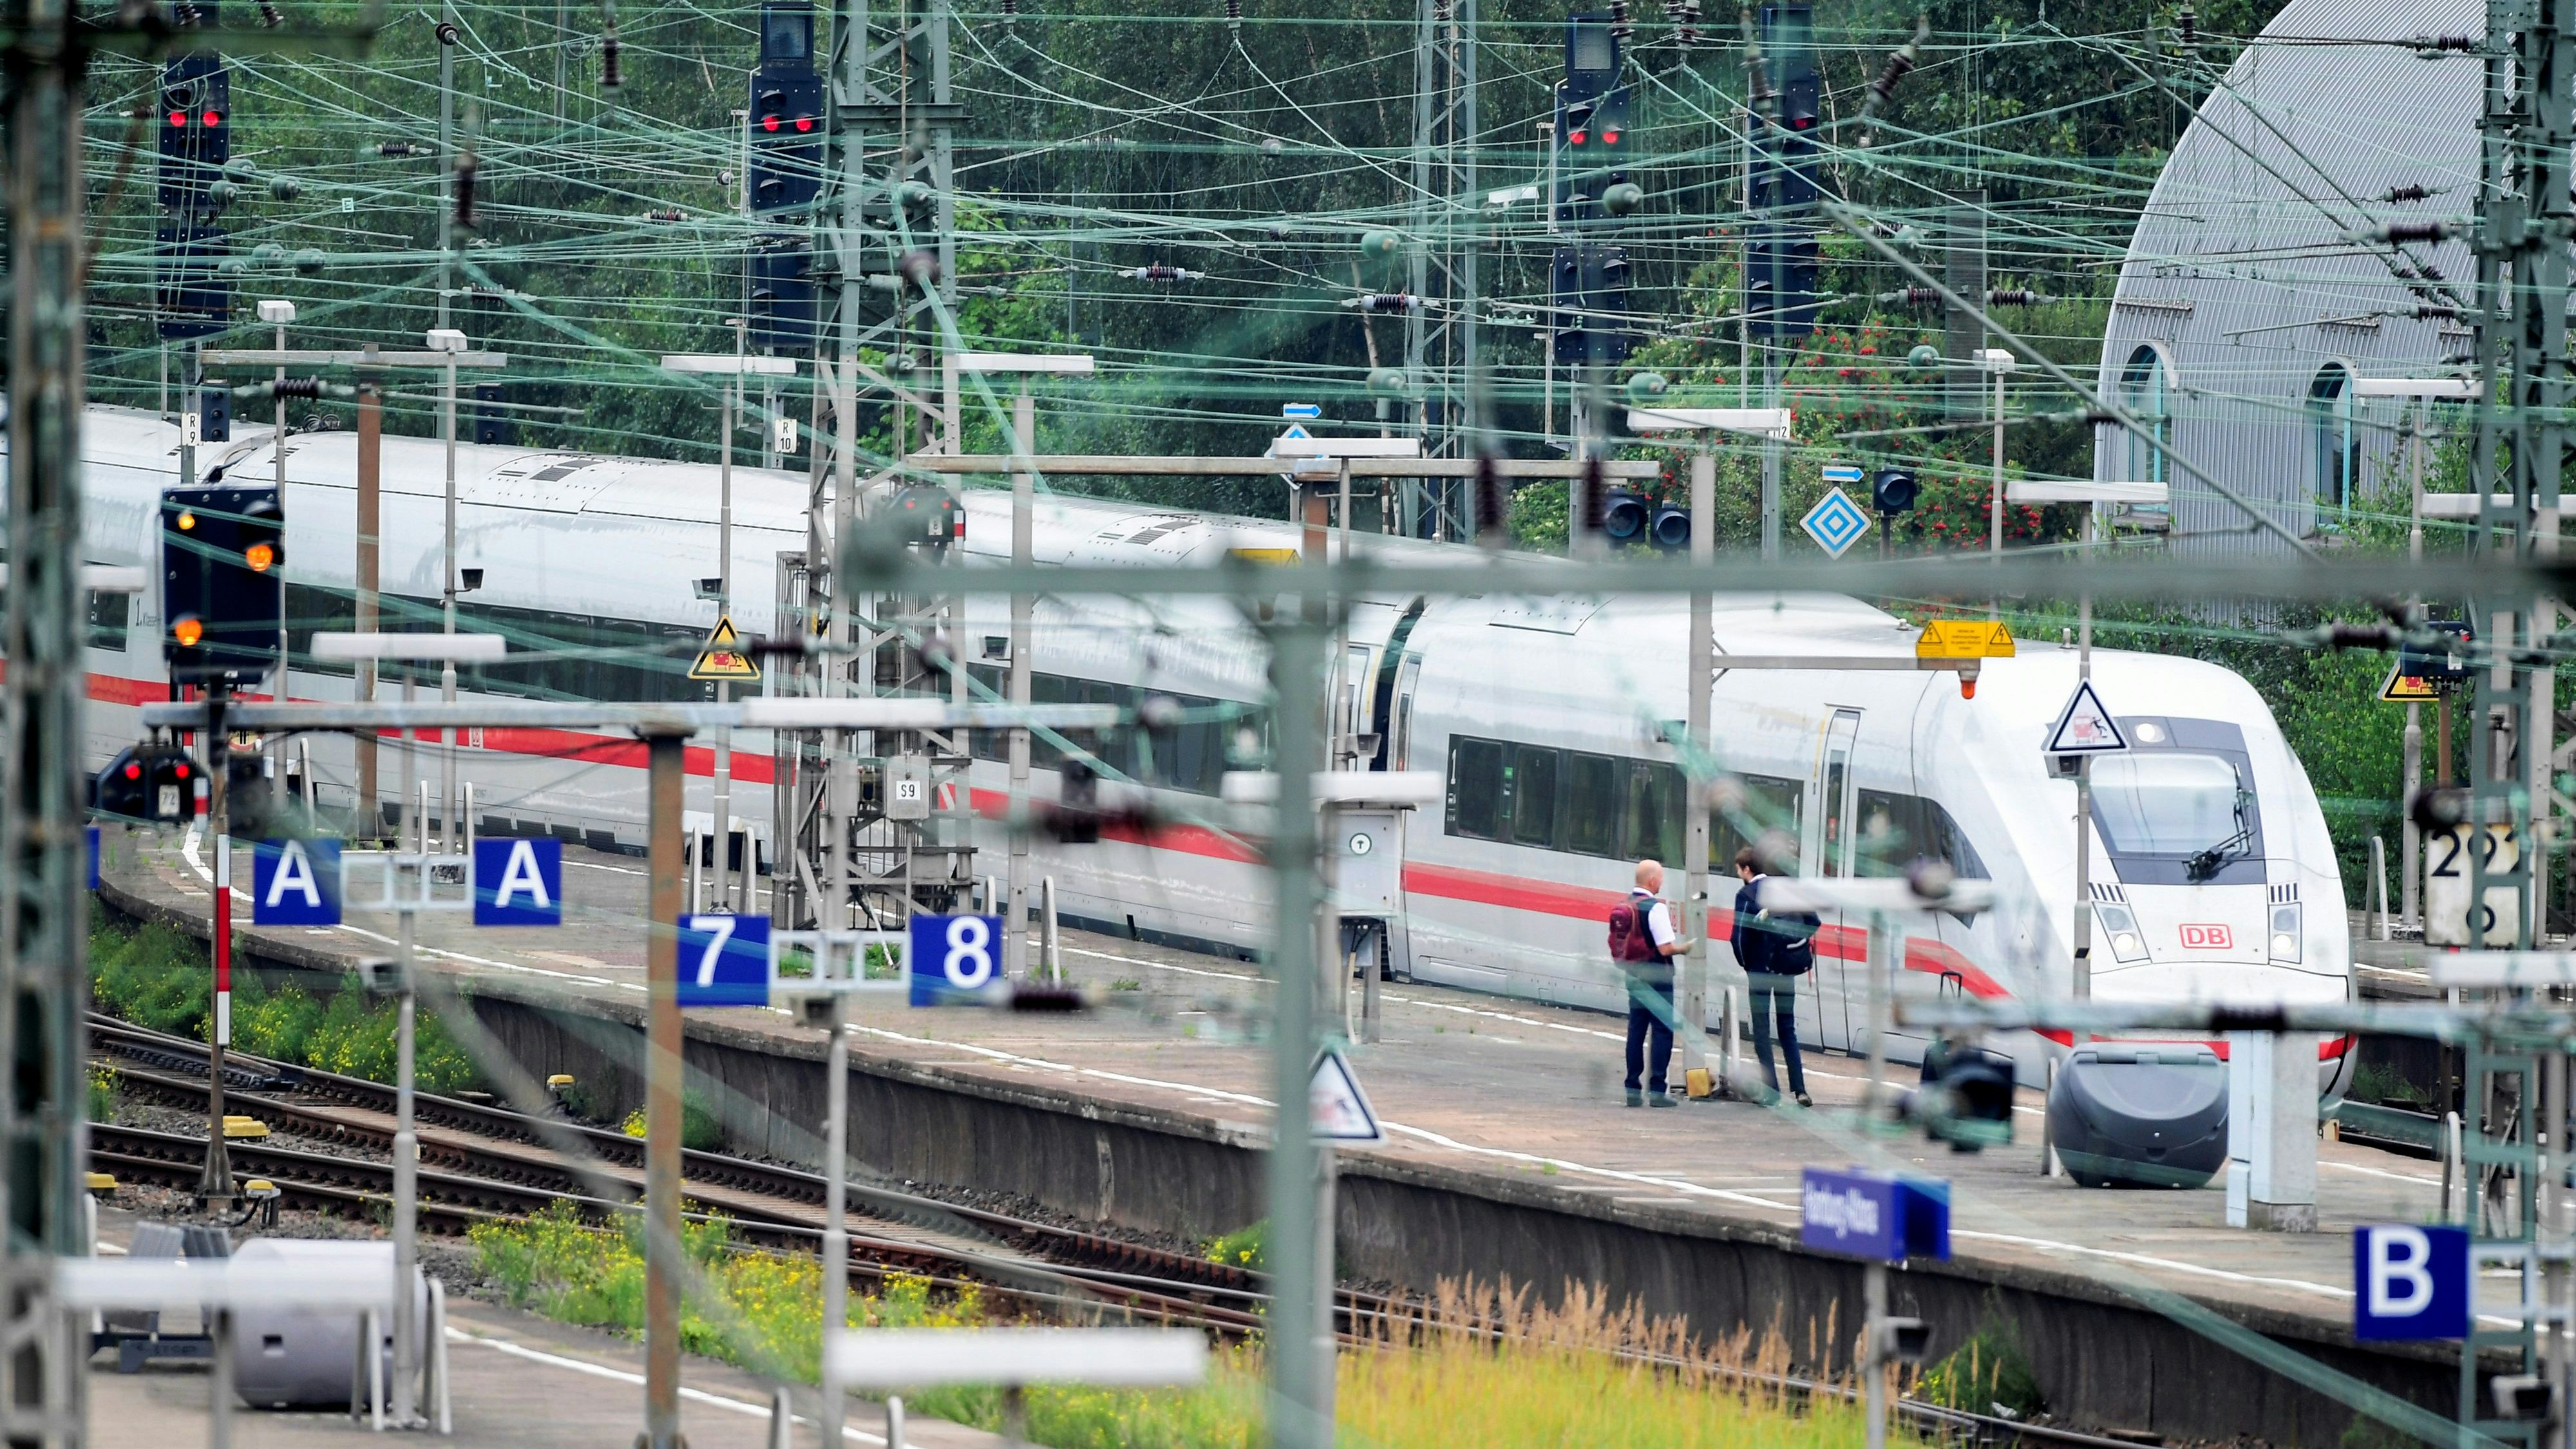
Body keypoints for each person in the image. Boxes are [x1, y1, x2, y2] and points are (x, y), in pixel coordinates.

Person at [1732, 847, 1812, 1108]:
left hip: (1760, 972)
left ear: (1747, 869)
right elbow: (1813, 921)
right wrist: (1791, 947)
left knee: (1762, 1030)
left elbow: (1739, 937)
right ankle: (1800, 1090)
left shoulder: (1746, 895)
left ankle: (1772, 1092)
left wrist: (1747, 964)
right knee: (1787, 1028)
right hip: (1785, 970)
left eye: (1739, 870)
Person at [1611, 858, 1689, 1108]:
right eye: (1661, 878)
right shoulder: (1656, 908)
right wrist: (1685, 948)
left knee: (1636, 1031)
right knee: (1663, 1031)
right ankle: (1657, 1090)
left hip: (1634, 975)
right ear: (1652, 881)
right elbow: (1665, 949)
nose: (1662, 882)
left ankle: (1632, 1089)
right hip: (1657, 977)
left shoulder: (1625, 904)